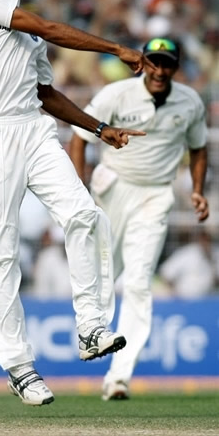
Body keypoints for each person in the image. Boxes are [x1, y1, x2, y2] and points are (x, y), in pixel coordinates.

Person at [0, 0, 154, 406]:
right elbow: (49, 26)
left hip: (33, 128)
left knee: (85, 215)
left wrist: (98, 127)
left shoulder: (25, 31)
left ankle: (91, 327)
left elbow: (45, 95)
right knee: (0, 255)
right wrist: (118, 49)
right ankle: (19, 367)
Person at [69, 37, 209, 400]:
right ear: (143, 63)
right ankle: (90, 334)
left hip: (156, 195)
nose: (160, 71)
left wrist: (197, 189)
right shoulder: (117, 94)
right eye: (154, 62)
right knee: (102, 274)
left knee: (139, 282)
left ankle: (119, 377)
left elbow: (198, 148)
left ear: (176, 67)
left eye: (168, 64)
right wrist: (76, 189)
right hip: (113, 187)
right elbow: (80, 136)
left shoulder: (190, 102)